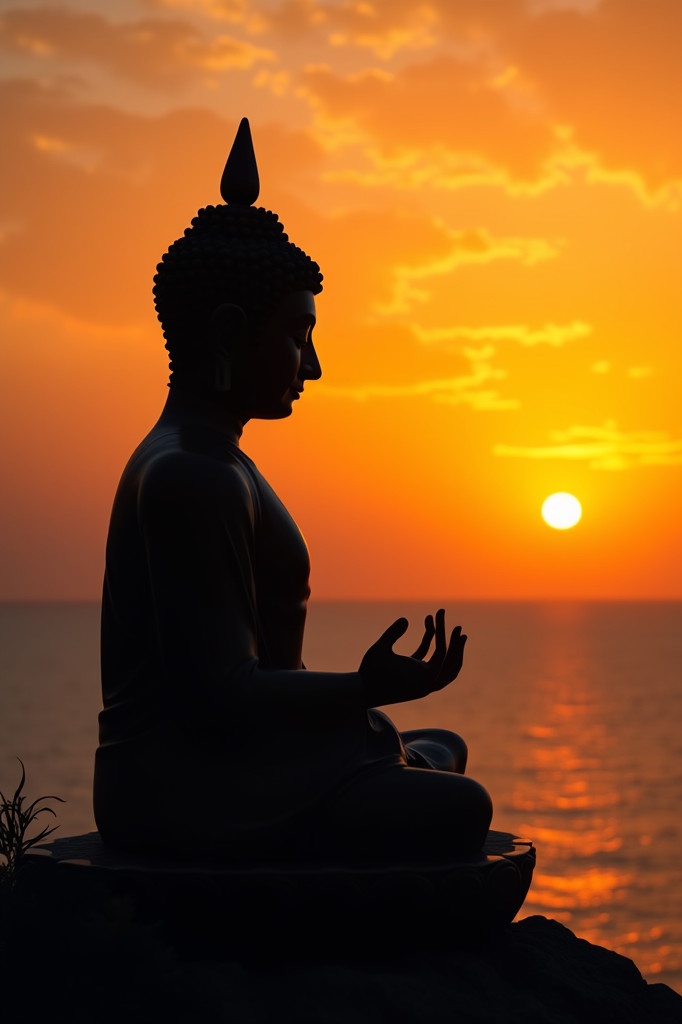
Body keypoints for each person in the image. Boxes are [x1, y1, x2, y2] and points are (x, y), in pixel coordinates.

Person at [94, 119, 493, 864]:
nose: (312, 367)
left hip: (241, 762)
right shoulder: (189, 474)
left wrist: (356, 710)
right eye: (297, 335)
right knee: (460, 806)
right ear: (226, 332)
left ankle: (382, 774)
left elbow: (258, 689)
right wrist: (362, 689)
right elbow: (217, 700)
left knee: (442, 747)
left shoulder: (222, 462)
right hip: (182, 788)